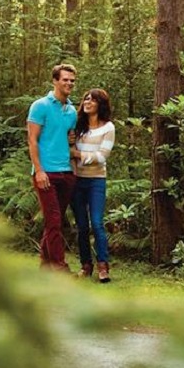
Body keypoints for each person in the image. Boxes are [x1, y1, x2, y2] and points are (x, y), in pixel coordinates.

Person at [27, 63, 78, 271]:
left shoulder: (72, 110)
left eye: (72, 80)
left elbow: (69, 139)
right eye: (65, 79)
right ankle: (59, 267)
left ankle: (46, 265)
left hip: (66, 172)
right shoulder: (40, 106)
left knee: (54, 222)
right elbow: (32, 140)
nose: (69, 83)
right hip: (46, 172)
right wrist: (38, 170)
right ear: (55, 81)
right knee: (54, 220)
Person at [70, 88, 115, 283]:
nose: (87, 102)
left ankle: (103, 266)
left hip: (96, 180)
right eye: (86, 98)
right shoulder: (77, 126)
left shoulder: (108, 128)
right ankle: (85, 265)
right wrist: (71, 146)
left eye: (92, 100)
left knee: (96, 223)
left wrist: (78, 155)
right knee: (81, 226)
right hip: (76, 180)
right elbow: (67, 146)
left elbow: (102, 156)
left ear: (100, 104)